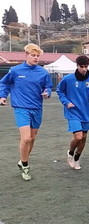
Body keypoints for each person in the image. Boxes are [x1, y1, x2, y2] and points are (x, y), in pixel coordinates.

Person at [0, 43, 52, 181]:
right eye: (33, 55)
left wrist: (47, 93)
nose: (35, 58)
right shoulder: (15, 71)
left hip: (37, 108)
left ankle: (22, 160)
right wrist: (3, 96)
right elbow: (4, 83)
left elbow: (48, 86)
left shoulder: (43, 72)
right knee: (26, 138)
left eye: (37, 56)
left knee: (32, 138)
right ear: (26, 55)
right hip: (21, 107)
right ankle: (25, 166)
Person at [57, 55, 89, 170]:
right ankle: (70, 153)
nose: (84, 69)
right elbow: (60, 91)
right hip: (73, 111)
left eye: (86, 66)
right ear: (77, 66)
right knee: (78, 137)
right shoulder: (68, 79)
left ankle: (76, 158)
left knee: (84, 137)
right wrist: (66, 102)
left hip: (86, 112)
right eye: (82, 66)